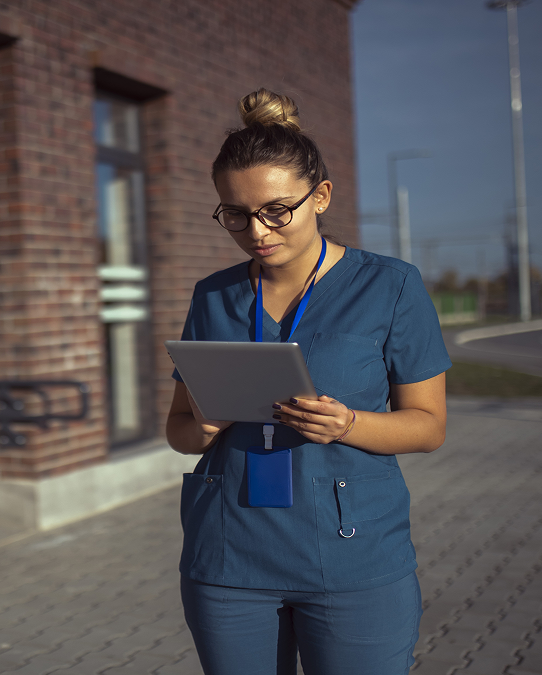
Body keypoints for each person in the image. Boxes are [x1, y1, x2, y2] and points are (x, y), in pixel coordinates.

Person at [165, 89, 450, 675]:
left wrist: (348, 424)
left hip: (352, 559)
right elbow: (178, 431)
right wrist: (206, 427)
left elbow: (428, 427)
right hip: (229, 559)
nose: (256, 231)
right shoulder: (211, 295)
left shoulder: (391, 286)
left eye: (276, 210)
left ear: (320, 196)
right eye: (236, 214)